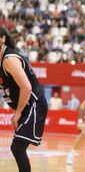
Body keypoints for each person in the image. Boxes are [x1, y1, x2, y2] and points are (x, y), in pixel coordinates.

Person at [0, 26, 48, 172]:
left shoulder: (9, 59)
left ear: (2, 39)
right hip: (27, 106)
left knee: (17, 147)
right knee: (18, 148)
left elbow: (26, 87)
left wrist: (18, 112)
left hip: (34, 105)